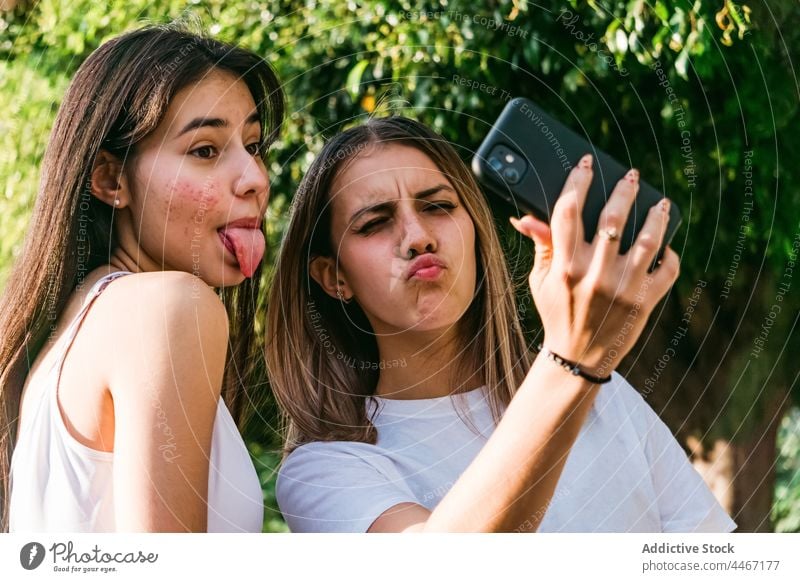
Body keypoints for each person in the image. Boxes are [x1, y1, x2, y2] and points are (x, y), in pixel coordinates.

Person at [266, 116, 737, 533]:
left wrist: (578, 369)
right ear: (334, 277)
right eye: (374, 223)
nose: (418, 237)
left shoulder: (601, 392)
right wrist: (571, 360)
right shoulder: (326, 469)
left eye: (438, 206)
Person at [0, 23, 284, 532]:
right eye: (205, 150)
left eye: (254, 144)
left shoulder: (69, 332)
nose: (256, 179)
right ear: (112, 180)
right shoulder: (169, 307)